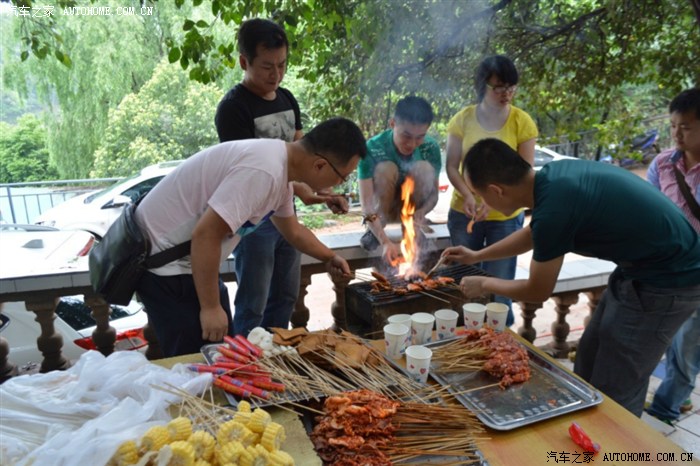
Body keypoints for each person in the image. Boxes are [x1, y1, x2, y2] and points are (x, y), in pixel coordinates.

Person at [442, 137, 700, 416]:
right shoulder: (550, 180)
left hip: (669, 281)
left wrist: (484, 283)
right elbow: (534, 233)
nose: (482, 202)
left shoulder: (555, 206)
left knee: (616, 383)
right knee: (589, 356)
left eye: (480, 195)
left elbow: (537, 290)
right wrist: (476, 256)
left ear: (497, 190)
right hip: (637, 270)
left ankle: (616, 450)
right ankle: (587, 438)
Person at [134, 117, 367, 357]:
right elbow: (205, 235)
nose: (341, 183)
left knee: (222, 355)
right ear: (320, 165)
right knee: (196, 365)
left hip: (189, 265)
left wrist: (330, 256)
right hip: (167, 270)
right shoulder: (263, 171)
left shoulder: (280, 171)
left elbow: (293, 231)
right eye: (343, 176)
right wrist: (211, 307)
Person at [215, 18, 347, 337]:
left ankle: (277, 356)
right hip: (254, 221)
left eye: (283, 65)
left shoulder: (287, 98)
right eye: (267, 67)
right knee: (253, 304)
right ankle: (248, 364)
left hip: (286, 213)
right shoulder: (233, 109)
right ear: (244, 62)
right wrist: (303, 189)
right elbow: (247, 175)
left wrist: (323, 191)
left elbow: (303, 156)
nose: (276, 75)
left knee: (285, 297)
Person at [445, 55, 538, 327]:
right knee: (462, 278)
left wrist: (493, 202)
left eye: (511, 87)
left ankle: (499, 337)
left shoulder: (522, 122)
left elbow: (524, 174)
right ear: (482, 86)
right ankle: (462, 332)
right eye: (499, 88)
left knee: (500, 283)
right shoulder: (462, 120)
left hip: (506, 219)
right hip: (465, 213)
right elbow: (452, 167)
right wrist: (472, 195)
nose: (506, 93)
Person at [645, 88, 700, 423]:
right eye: (674, 126)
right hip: (668, 269)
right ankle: (678, 397)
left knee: (687, 344)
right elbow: (650, 212)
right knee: (666, 337)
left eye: (687, 127)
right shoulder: (663, 164)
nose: (678, 134)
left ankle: (665, 408)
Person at [358, 96, 441, 265]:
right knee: (386, 169)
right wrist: (385, 242)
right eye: (406, 136)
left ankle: (412, 228)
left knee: (423, 168)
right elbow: (366, 204)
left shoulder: (430, 148)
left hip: (411, 211)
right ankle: (374, 231)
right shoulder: (372, 148)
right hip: (381, 211)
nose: (412, 144)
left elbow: (434, 195)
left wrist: (423, 211)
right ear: (392, 124)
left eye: (420, 137)